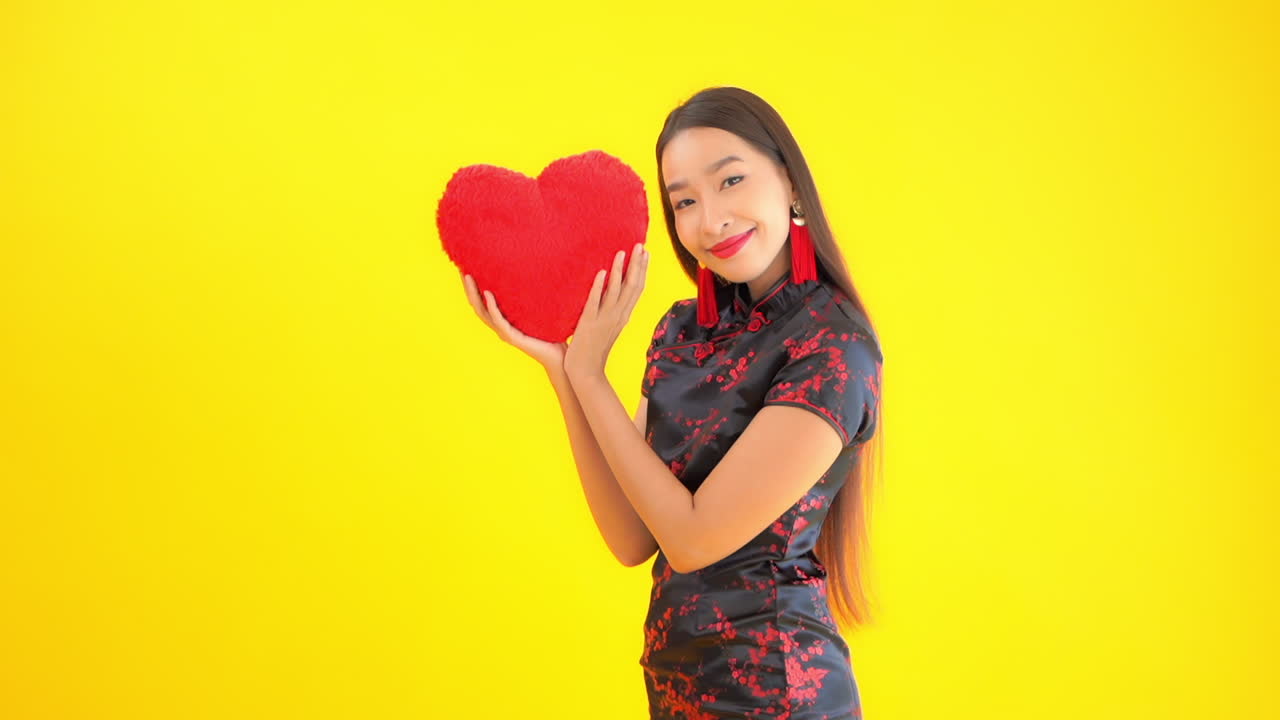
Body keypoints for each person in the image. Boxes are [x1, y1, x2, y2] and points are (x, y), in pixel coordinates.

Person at [461, 86, 884, 720]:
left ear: (792, 184)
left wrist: (593, 377)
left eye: (731, 180)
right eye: (684, 200)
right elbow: (632, 537)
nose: (709, 220)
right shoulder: (683, 331)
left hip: (778, 695)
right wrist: (564, 369)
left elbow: (690, 540)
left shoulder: (833, 346)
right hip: (676, 693)